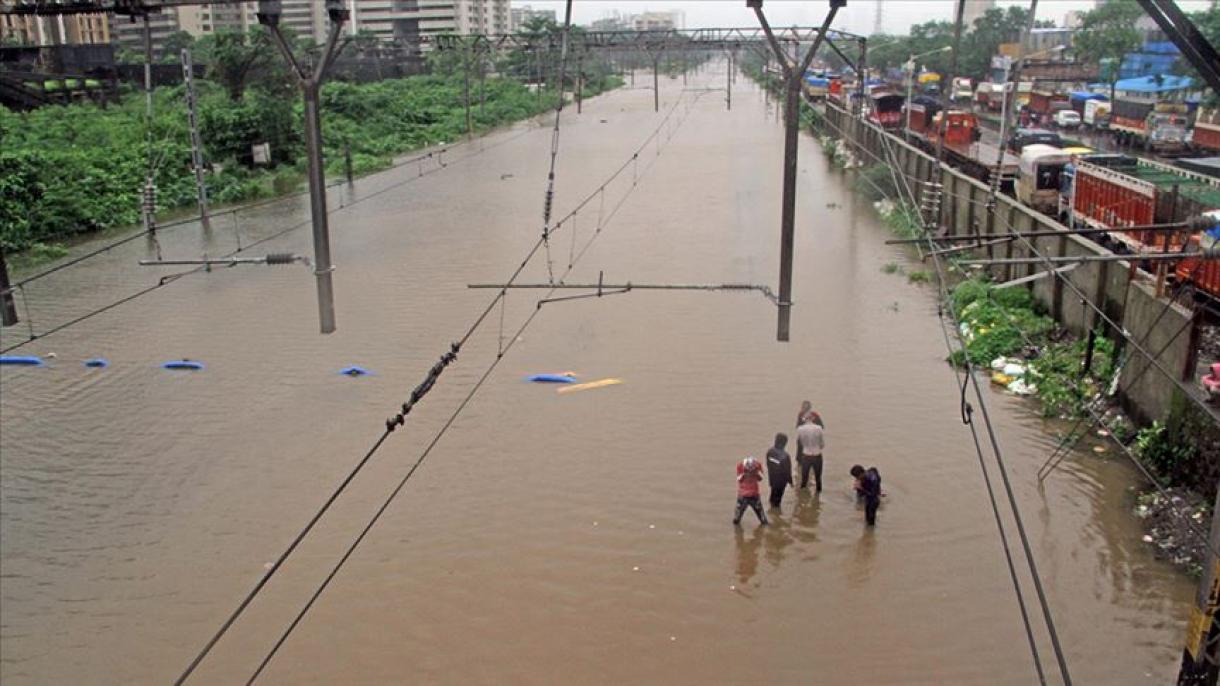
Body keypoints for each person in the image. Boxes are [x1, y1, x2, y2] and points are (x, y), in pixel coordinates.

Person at [733, 457, 768, 526]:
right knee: (736, 520)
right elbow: (739, 479)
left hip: (754, 495)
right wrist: (745, 474)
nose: (750, 470)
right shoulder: (740, 466)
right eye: (748, 469)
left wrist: (756, 473)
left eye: (752, 468)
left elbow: (761, 478)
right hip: (743, 496)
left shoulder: (758, 465)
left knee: (763, 519)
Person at [795, 416, 825, 492]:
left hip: (806, 455)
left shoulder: (800, 429)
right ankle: (817, 497)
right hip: (817, 455)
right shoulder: (819, 428)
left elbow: (800, 442)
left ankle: (802, 498)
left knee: (804, 479)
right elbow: (822, 445)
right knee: (818, 478)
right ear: (813, 419)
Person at [765, 433, 794, 509]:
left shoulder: (770, 451)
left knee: (772, 496)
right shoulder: (785, 456)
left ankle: (771, 509)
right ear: (784, 443)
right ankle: (775, 514)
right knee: (778, 500)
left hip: (772, 478)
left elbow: (768, 464)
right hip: (781, 482)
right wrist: (791, 482)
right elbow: (788, 471)